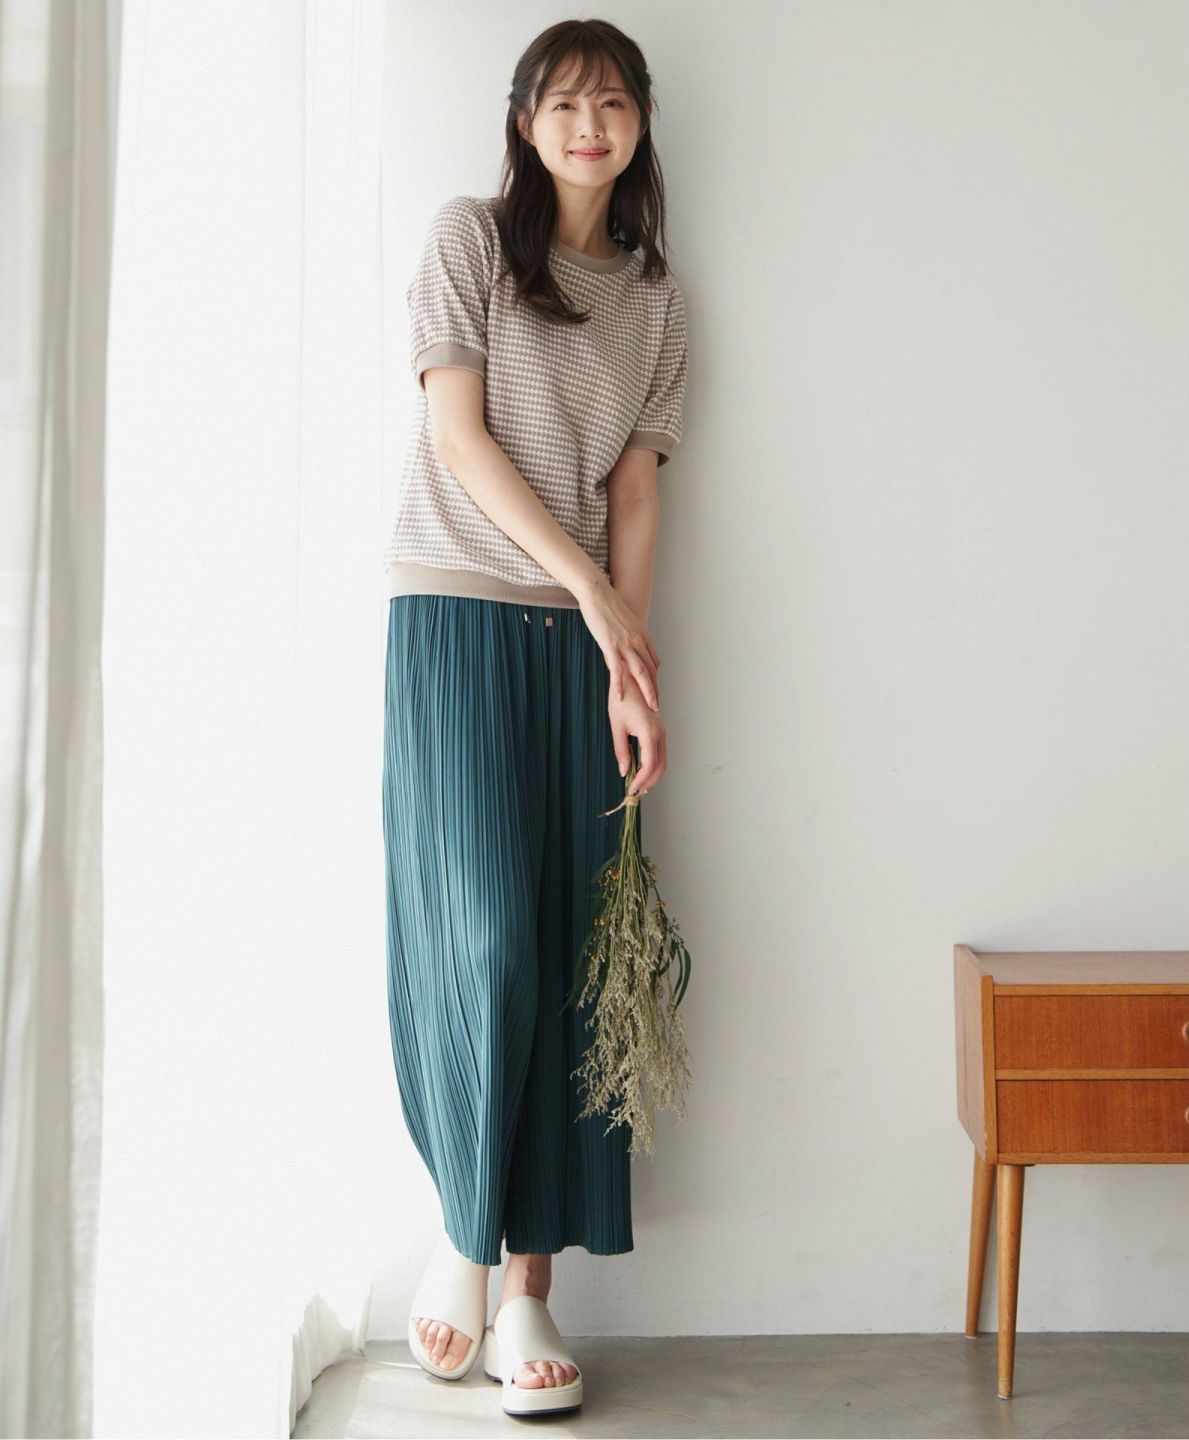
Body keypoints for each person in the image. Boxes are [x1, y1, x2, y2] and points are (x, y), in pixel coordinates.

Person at [381, 17, 688, 1416]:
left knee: (569, 947)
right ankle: (461, 1235)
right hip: (454, 615)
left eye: (611, 102)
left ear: (639, 126)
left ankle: (526, 1296)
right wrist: (593, 596)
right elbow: (459, 438)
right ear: (522, 122)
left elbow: (636, 494)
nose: (588, 124)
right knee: (486, 934)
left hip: (582, 648)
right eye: (562, 103)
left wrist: (629, 666)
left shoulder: (657, 302)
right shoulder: (468, 241)